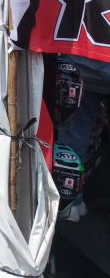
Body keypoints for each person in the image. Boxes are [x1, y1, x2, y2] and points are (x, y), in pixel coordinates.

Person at [56, 54, 110, 221]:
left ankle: (70, 203)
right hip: (84, 66)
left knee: (75, 131)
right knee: (75, 131)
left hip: (81, 65)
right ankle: (70, 202)